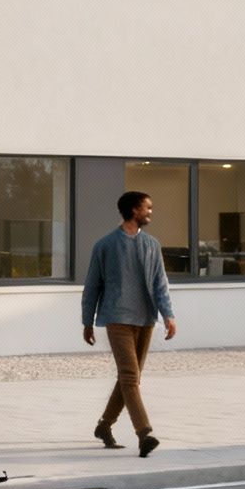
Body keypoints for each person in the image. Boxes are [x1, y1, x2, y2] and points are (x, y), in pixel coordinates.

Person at [82, 190, 178, 457]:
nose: (150, 212)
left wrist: (168, 315)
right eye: (147, 208)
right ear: (134, 210)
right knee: (129, 377)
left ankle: (104, 426)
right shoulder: (105, 245)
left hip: (145, 319)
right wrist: (87, 321)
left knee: (130, 378)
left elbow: (161, 284)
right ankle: (144, 433)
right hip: (117, 319)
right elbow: (92, 286)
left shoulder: (152, 245)